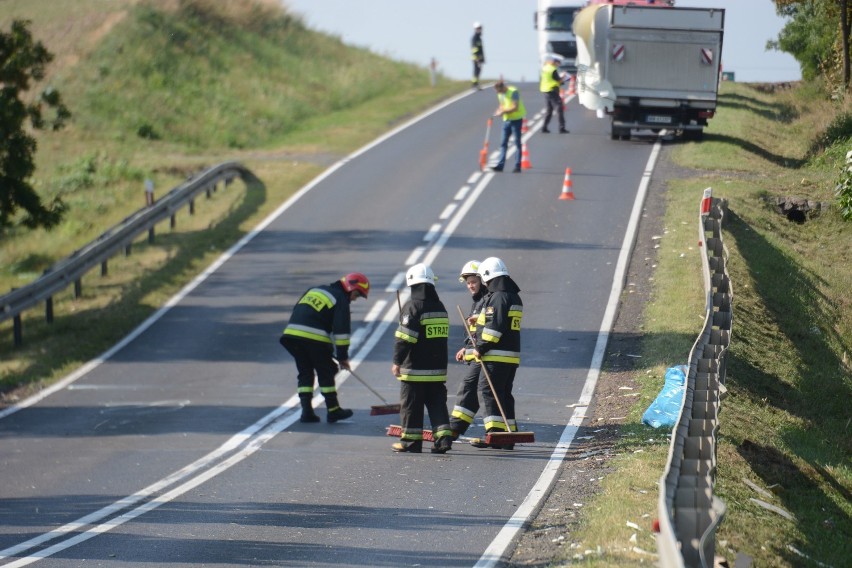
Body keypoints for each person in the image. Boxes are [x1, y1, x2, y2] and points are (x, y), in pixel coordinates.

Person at [280, 272, 370, 423]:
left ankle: (306, 412)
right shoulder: (340, 299)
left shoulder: (315, 290)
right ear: (351, 288)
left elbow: (300, 310)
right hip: (312, 337)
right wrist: (342, 357)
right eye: (357, 295)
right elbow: (341, 332)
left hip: (291, 336)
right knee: (327, 370)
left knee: (305, 371)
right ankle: (333, 410)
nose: (355, 299)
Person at [391, 263, 454, 454]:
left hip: (415, 371)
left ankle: (411, 442)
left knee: (411, 406)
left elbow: (404, 339)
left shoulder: (412, 307)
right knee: (437, 405)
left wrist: (397, 361)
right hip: (437, 371)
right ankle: (443, 440)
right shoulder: (440, 307)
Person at [469, 257, 523, 450]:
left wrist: (480, 347)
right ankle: (509, 435)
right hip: (511, 355)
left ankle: (494, 433)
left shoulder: (498, 297)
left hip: (495, 355)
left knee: (488, 391)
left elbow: (494, 328)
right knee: (504, 394)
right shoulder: (513, 296)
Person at [450, 260, 488, 438]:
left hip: (485, 354)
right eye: (468, 282)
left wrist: (471, 350)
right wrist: (465, 347)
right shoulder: (478, 301)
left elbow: (488, 327)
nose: (470, 285)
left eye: (473, 281)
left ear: (482, 280)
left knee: (468, 387)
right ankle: (457, 427)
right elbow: (474, 333)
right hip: (477, 353)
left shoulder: (487, 300)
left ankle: (455, 427)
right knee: (474, 391)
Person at [491, 81, 526, 173]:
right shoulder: (500, 94)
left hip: (516, 120)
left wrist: (503, 112)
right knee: (503, 143)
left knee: (517, 143)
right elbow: (502, 105)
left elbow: (515, 107)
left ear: (503, 88)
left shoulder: (513, 92)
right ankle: (500, 165)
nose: (498, 93)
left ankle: (517, 166)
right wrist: (498, 111)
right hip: (506, 120)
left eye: (499, 91)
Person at [540, 55, 569, 134]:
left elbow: (549, 79)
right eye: (558, 63)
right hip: (552, 90)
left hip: (545, 90)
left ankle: (544, 127)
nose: (558, 65)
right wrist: (563, 77)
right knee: (559, 107)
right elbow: (558, 80)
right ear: (555, 62)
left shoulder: (545, 67)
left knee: (549, 110)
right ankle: (561, 127)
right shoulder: (553, 69)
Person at [471, 22, 485, 90]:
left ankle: (476, 84)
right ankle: (475, 85)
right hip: (476, 58)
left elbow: (481, 50)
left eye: (480, 28)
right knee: (476, 71)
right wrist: (477, 58)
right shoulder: (475, 38)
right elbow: (474, 49)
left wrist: (482, 59)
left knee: (478, 71)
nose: (479, 30)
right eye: (478, 28)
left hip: (479, 58)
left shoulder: (479, 38)